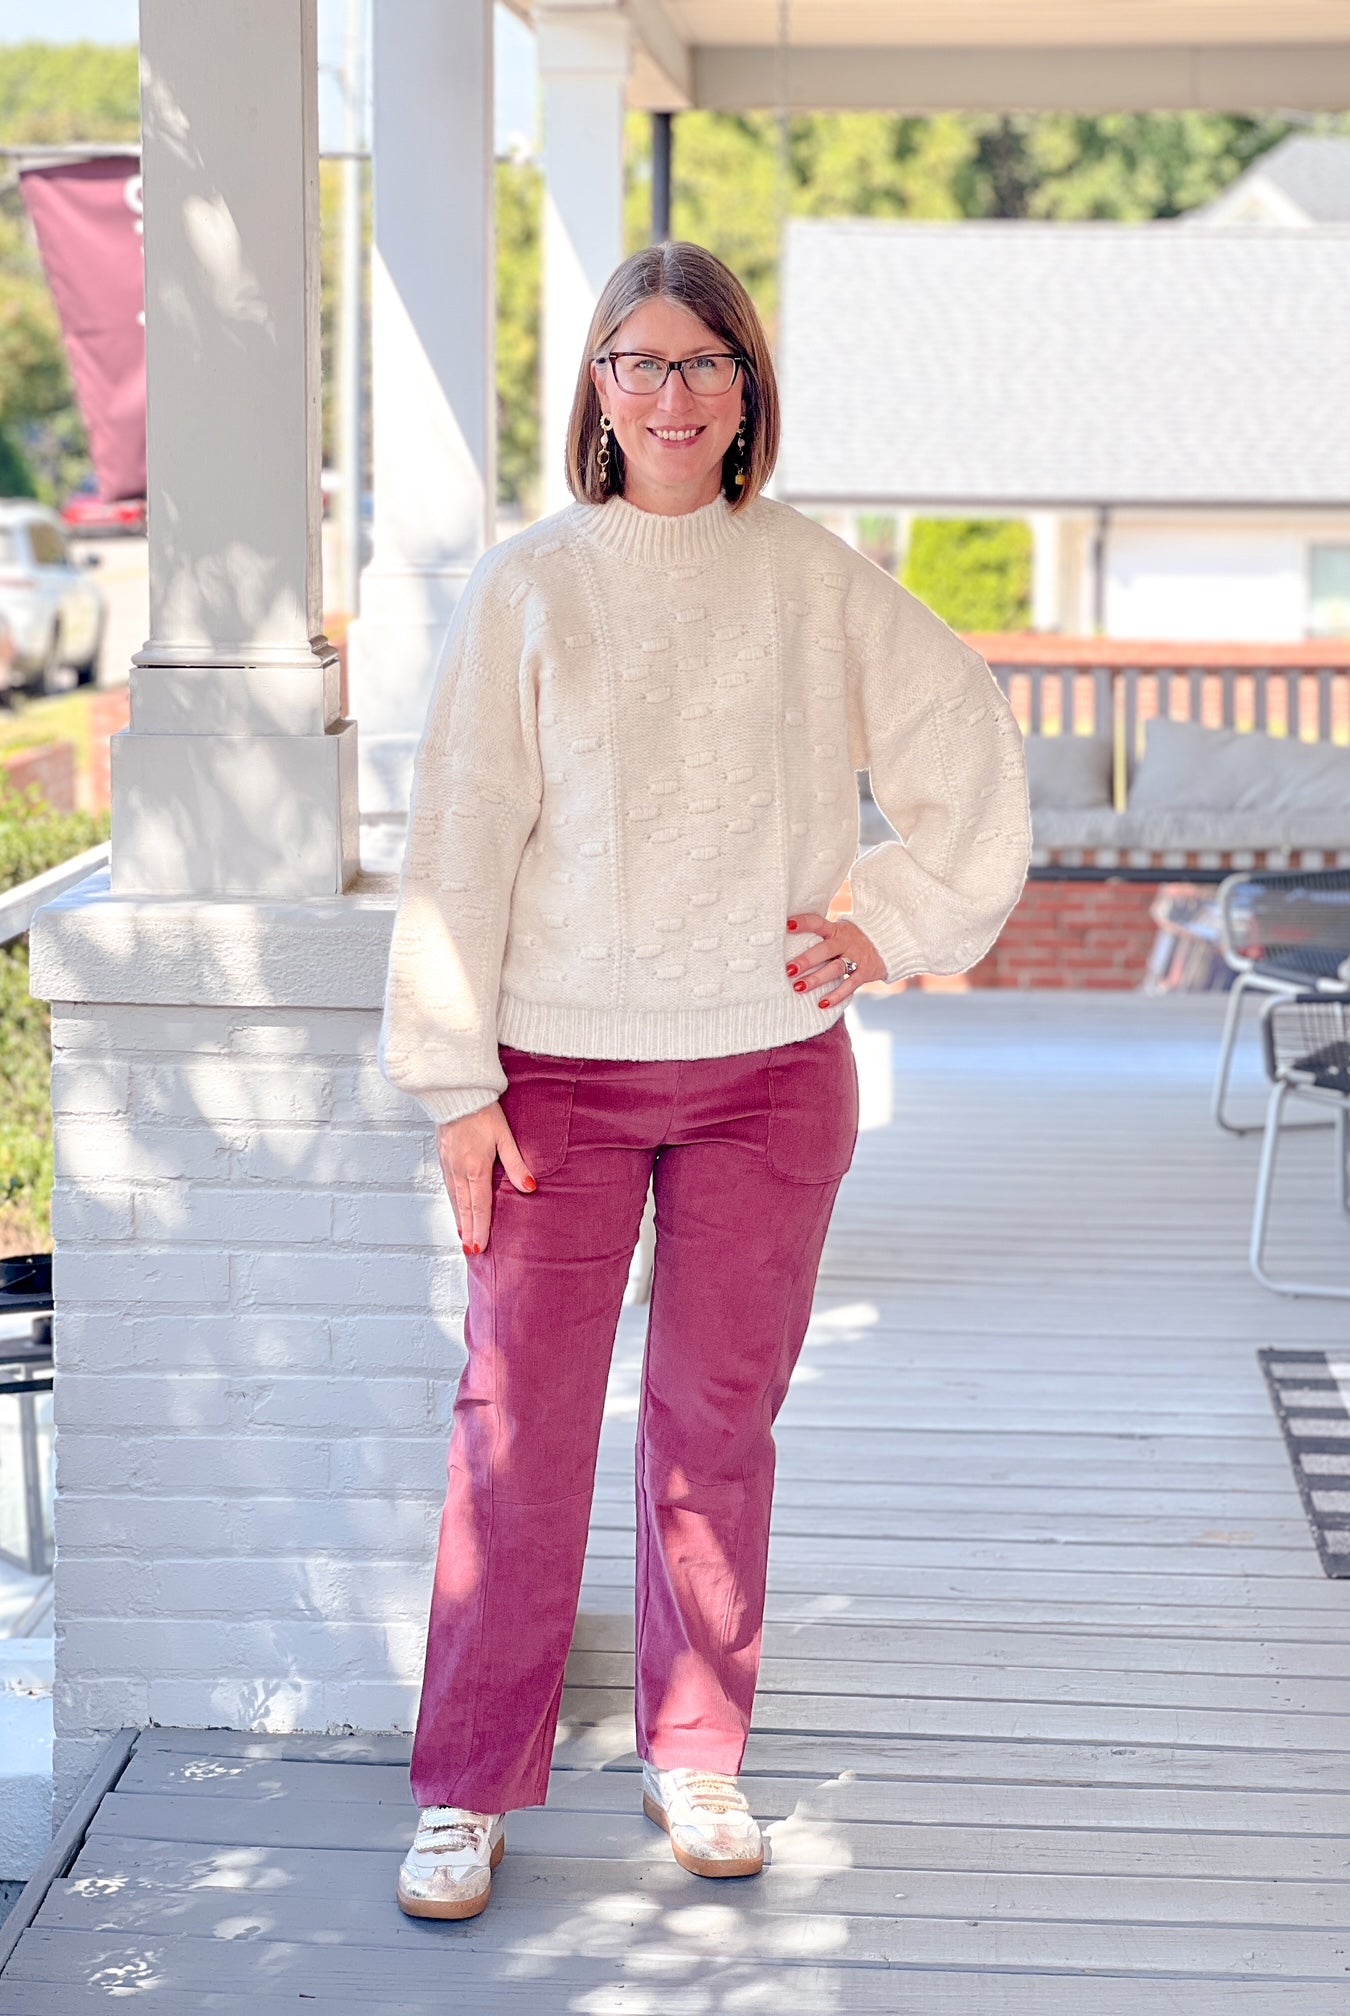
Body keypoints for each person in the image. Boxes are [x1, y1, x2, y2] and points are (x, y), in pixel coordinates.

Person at [379, 241, 1030, 1920]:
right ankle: (464, 1787)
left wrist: (884, 921)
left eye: (701, 364)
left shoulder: (815, 579)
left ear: (748, 391)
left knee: (710, 1430)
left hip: (763, 1073)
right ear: (594, 390)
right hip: (556, 1081)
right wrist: (454, 1080)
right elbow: (457, 838)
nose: (668, 396)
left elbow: (963, 743)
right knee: (514, 1438)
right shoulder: (527, 588)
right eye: (635, 363)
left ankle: (695, 1751)